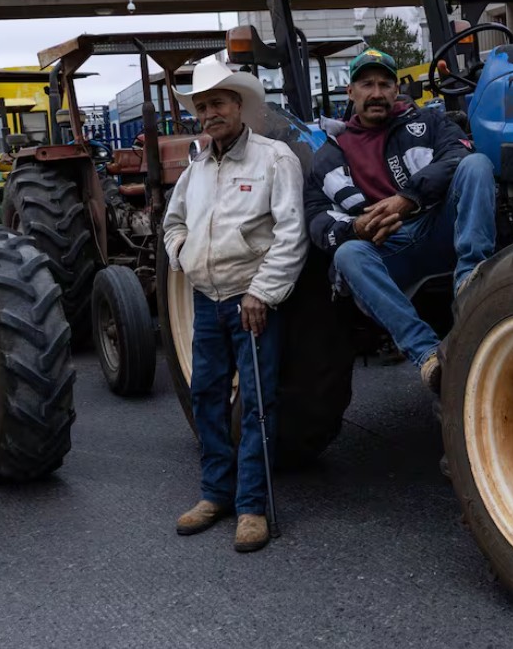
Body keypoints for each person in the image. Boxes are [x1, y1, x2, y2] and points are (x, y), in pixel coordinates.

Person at [162, 56, 307, 553]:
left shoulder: (274, 159)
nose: (209, 114)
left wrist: (261, 293)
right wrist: (182, 254)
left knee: (257, 407)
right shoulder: (196, 169)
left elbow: (291, 235)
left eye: (218, 103)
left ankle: (251, 507)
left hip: (252, 302)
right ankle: (215, 494)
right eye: (202, 107)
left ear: (239, 104)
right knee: (205, 397)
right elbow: (173, 223)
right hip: (207, 300)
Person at [303, 48, 495, 391]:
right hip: (388, 247)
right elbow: (317, 221)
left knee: (476, 165)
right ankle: (428, 355)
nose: (376, 93)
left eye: (384, 84)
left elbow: (458, 153)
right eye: (367, 84)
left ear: (396, 89)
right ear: (351, 92)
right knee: (348, 254)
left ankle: (470, 283)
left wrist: (408, 198)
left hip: (436, 226)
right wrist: (356, 228)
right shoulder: (329, 154)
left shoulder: (429, 123)